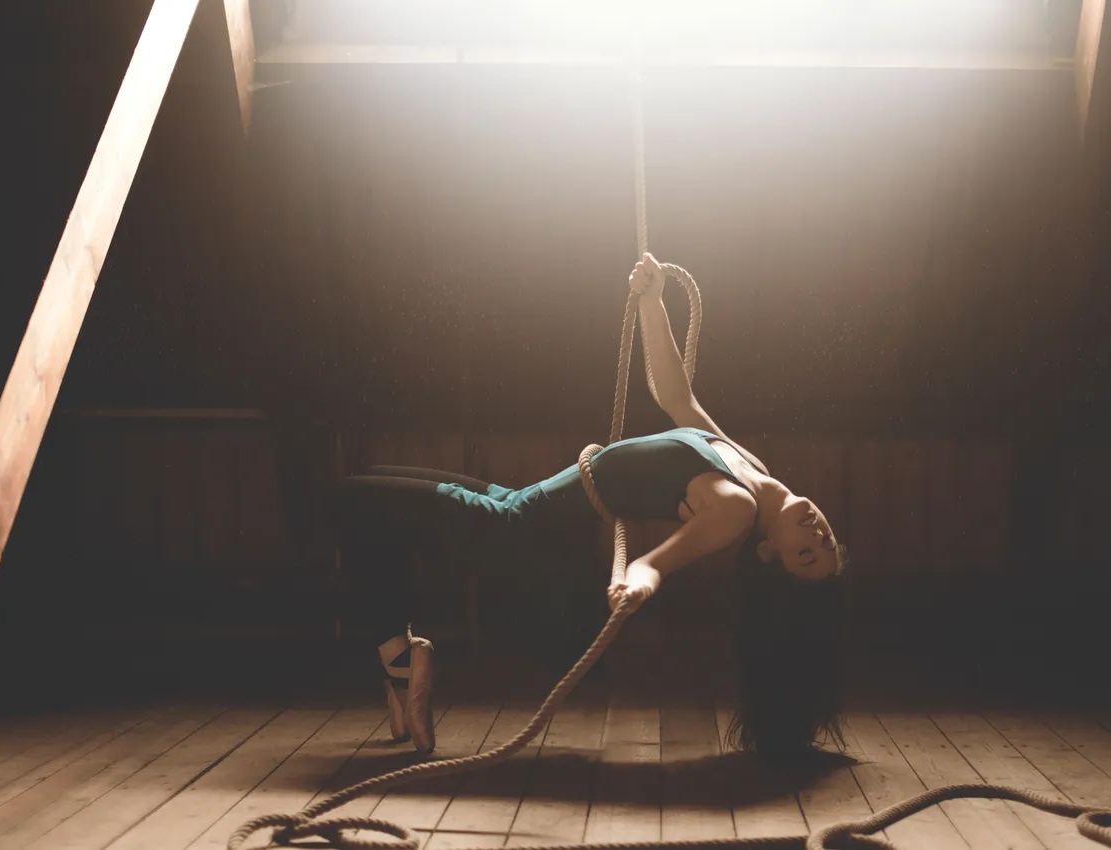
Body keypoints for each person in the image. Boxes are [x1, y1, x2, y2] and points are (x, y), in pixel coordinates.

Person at [334, 253, 850, 760]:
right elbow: (677, 398)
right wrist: (652, 301)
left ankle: (403, 664)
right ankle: (402, 667)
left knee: (354, 502)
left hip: (515, 528)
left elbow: (654, 565)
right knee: (372, 500)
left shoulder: (736, 508)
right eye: (826, 544)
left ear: (766, 554)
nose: (817, 535)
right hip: (519, 504)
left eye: (806, 554)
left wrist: (635, 585)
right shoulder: (750, 470)